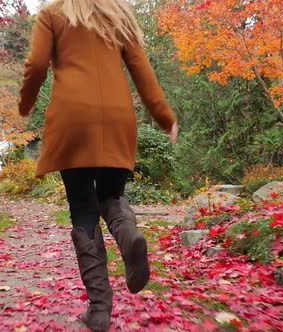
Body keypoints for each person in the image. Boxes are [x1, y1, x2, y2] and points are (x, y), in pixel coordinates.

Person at [18, 0, 178, 330]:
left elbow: (36, 64)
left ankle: (100, 309)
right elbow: (142, 70)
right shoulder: (118, 13)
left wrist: (26, 103)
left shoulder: (52, 13)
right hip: (118, 119)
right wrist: (165, 118)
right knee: (111, 194)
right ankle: (128, 234)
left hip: (73, 118)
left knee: (83, 211)